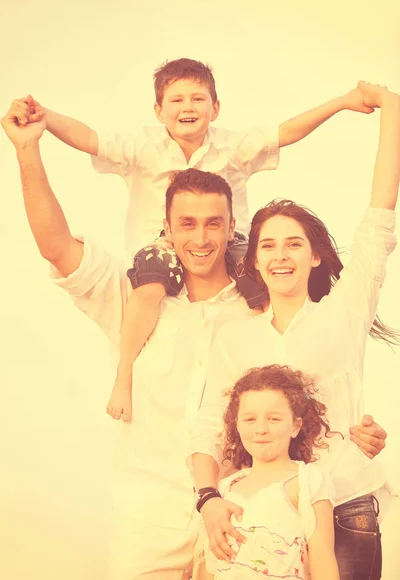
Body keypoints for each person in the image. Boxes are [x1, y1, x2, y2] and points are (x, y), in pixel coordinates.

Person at [1, 103, 387, 579]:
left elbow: (308, 384)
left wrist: (351, 435)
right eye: (186, 224)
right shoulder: (131, 298)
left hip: (247, 515)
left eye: (213, 224)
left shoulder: (257, 312)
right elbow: (56, 246)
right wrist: (26, 151)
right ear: (167, 228)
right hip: (150, 518)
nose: (200, 238)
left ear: (231, 229)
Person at [17, 58, 376, 424]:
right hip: (159, 245)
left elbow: (287, 131)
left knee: (265, 297)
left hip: (232, 242)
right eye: (176, 100)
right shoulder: (142, 146)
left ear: (215, 108)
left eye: (197, 99)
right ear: (158, 111)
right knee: (148, 291)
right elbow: (89, 138)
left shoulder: (231, 147)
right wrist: (46, 118)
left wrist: (342, 102)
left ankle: (280, 376)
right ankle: (123, 374)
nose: (187, 107)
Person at [190, 82, 399, 580]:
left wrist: (391, 108)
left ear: (316, 254)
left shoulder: (345, 309)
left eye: (293, 244)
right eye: (268, 246)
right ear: (254, 260)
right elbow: (210, 422)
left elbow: (379, 217)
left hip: (346, 504)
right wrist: (207, 498)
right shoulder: (234, 331)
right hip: (260, 512)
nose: (280, 256)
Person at [206, 365, 339, 580]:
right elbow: (212, 566)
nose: (261, 429)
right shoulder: (224, 489)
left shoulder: (309, 481)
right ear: (237, 425)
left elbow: (323, 561)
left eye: (274, 419)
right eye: (250, 419)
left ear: (295, 426)